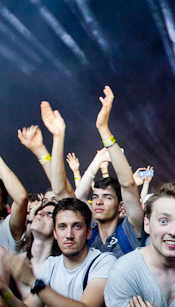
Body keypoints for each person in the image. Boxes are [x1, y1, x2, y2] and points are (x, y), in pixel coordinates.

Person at [52, 88, 146, 258]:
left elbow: (128, 185)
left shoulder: (130, 229)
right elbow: (68, 196)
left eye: (107, 197)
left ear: (121, 206)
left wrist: (103, 129)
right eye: (95, 197)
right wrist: (96, 161)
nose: (99, 202)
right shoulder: (87, 233)